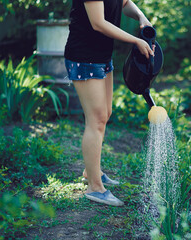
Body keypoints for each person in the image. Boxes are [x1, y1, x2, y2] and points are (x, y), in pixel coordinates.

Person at [64, 0, 154, 206]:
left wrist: (141, 16)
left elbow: (125, 3)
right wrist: (135, 41)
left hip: (102, 56)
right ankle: (95, 187)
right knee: (95, 120)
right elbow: (98, 23)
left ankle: (91, 171)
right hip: (84, 57)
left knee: (105, 114)